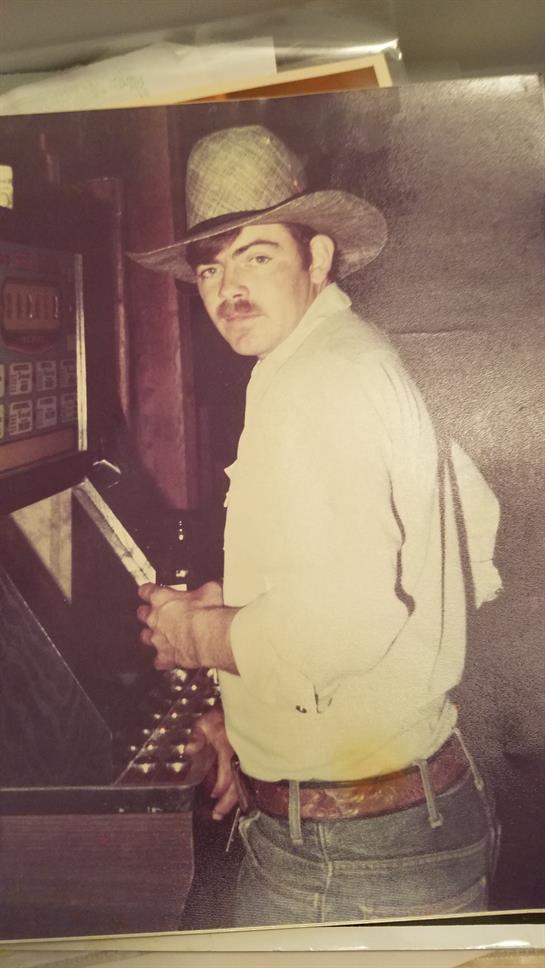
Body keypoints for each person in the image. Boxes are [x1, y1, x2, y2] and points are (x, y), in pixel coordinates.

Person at [131, 124, 499, 926]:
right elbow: (470, 530)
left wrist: (203, 639)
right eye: (209, 266)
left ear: (317, 257)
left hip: (351, 855)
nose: (227, 284)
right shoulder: (327, 358)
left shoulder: (321, 380)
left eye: (256, 255)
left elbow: (344, 624)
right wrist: (248, 674)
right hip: (383, 824)